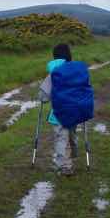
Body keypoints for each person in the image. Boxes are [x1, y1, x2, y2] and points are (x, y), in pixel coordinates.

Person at [41, 43, 79, 175]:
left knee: (61, 138)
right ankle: (69, 161)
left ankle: (65, 166)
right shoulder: (76, 71)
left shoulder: (53, 74)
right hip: (76, 111)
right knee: (71, 136)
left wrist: (43, 98)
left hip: (59, 112)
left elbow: (43, 97)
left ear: (54, 57)